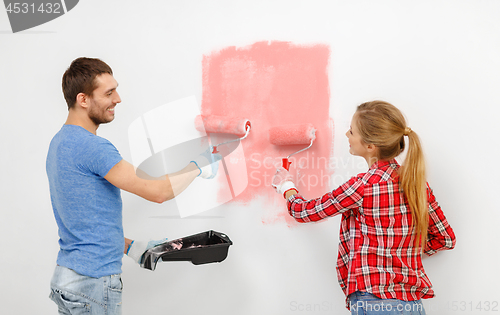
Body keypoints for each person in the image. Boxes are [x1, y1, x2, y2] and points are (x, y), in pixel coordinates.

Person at [46, 57, 220, 315]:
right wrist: (199, 165)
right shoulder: (93, 147)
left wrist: (128, 246)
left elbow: (82, 218)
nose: (118, 99)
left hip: (69, 279)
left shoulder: (59, 142)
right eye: (109, 92)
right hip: (93, 285)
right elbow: (158, 191)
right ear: (83, 100)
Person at [272, 101, 456, 315]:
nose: (346, 135)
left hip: (374, 302)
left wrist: (286, 186)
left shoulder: (363, 186)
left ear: (370, 146)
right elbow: (445, 239)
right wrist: (402, 252)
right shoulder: (416, 184)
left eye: (351, 131)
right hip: (412, 306)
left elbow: (305, 212)